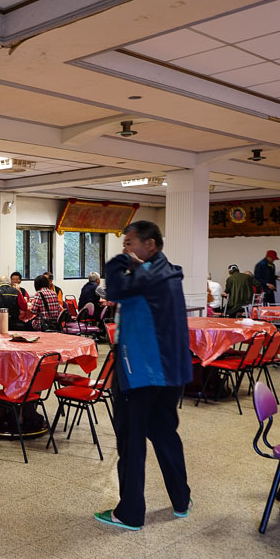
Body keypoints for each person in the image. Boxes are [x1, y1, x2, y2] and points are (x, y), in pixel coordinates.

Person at [97, 220, 191, 531]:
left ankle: (130, 513)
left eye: (129, 243)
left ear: (150, 245)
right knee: (165, 435)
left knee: (131, 442)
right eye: (124, 245)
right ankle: (181, 500)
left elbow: (115, 287)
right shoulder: (168, 273)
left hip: (141, 372)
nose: (126, 250)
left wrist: (120, 262)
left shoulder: (146, 277)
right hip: (169, 373)